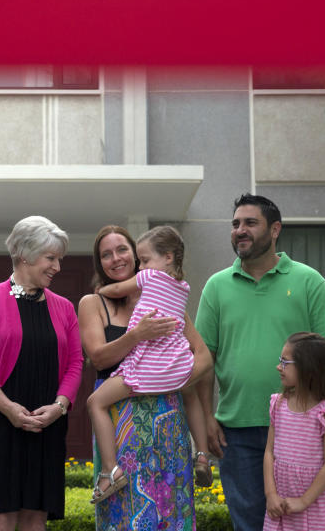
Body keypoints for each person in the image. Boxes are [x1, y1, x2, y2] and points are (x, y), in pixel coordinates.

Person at [195, 194, 325, 531]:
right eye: (235, 224)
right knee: (248, 523)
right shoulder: (216, 287)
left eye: (250, 223)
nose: (240, 230)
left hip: (300, 429)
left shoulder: (308, 280)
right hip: (237, 430)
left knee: (300, 520)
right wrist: (206, 417)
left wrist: (323, 408)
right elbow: (203, 360)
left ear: (275, 229)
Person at [77, 225, 212, 531]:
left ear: (137, 257)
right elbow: (98, 357)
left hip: (166, 418)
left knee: (170, 507)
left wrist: (175, 379)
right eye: (106, 254)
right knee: (125, 513)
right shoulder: (93, 302)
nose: (116, 259)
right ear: (100, 263)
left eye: (122, 250)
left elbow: (203, 356)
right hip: (120, 421)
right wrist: (137, 335)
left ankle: (200, 457)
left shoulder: (165, 297)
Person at [0, 216, 83, 531]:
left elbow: (75, 363)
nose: (57, 266)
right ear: (25, 255)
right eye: (50, 258)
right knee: (0, 514)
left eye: (59, 259)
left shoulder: (65, 308)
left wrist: (59, 407)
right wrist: (9, 409)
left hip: (47, 423)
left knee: (36, 514)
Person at [264, 332, 325, 530]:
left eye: (285, 362)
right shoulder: (278, 404)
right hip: (280, 506)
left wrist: (303, 501)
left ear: (307, 367)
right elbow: (269, 453)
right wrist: (271, 495)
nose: (279, 367)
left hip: (315, 506)